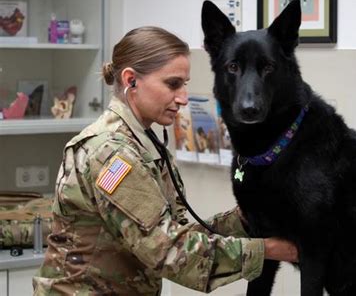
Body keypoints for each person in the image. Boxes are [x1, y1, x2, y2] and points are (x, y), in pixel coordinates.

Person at [33, 26, 298, 295]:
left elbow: (178, 232)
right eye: (173, 84)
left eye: (184, 84)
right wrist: (268, 250)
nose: (183, 98)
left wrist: (244, 219)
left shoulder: (145, 144)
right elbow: (170, 251)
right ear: (130, 81)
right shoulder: (112, 154)